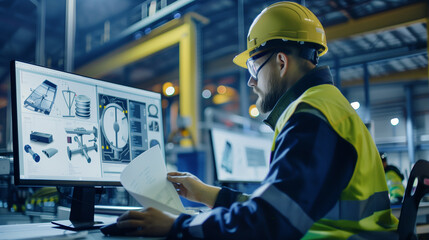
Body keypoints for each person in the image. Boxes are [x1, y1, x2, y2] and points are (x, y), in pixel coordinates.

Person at [116, 2, 398, 239]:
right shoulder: (327, 106)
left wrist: (177, 226)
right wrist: (208, 194)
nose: (251, 80)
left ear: (281, 62)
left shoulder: (311, 117)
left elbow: (269, 223)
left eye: (253, 66)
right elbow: (281, 208)